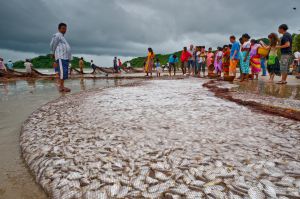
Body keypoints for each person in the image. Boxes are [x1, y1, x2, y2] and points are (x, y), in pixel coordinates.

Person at [50, 22, 72, 92]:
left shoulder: (62, 37)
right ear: (59, 29)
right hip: (60, 57)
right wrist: (53, 53)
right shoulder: (57, 35)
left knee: (64, 72)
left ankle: (62, 86)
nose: (64, 30)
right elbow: (52, 44)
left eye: (65, 29)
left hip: (65, 58)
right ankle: (61, 87)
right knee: (62, 72)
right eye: (63, 28)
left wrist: (69, 58)